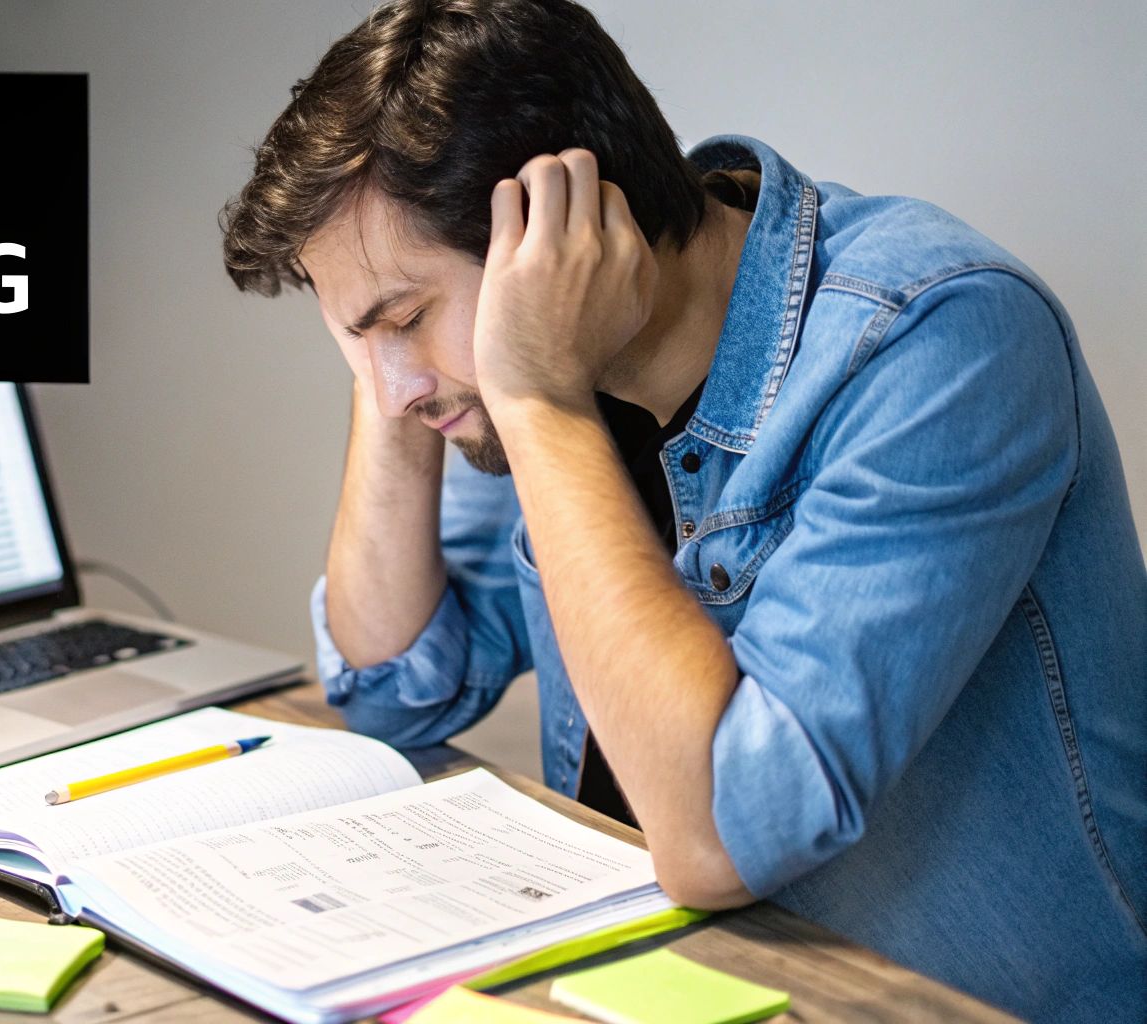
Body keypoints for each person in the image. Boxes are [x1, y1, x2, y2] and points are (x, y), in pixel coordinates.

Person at [218, 0, 1146, 1018]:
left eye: (405, 317)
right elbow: (394, 690)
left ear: (555, 234)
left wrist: (539, 399)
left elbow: (722, 835)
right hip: (672, 983)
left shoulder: (938, 336)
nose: (393, 390)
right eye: (358, 342)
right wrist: (386, 355)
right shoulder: (539, 371)